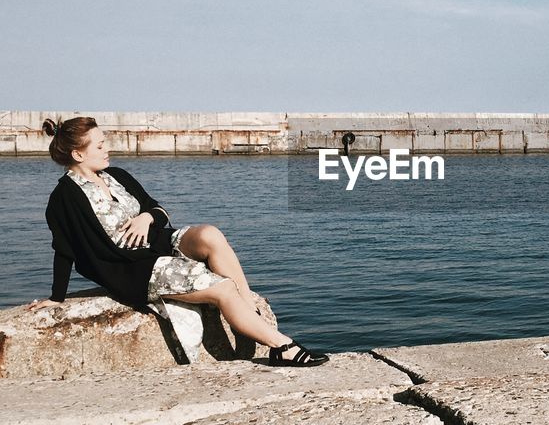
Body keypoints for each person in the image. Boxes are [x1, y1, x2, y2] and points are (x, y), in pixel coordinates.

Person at [28, 116, 327, 367]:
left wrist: (146, 217)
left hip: (161, 242)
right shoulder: (63, 198)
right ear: (78, 154)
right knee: (222, 287)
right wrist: (56, 297)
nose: (108, 149)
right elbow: (63, 250)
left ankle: (248, 312)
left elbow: (157, 209)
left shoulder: (116, 175)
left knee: (210, 233)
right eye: (101, 145)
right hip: (135, 269)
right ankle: (281, 347)